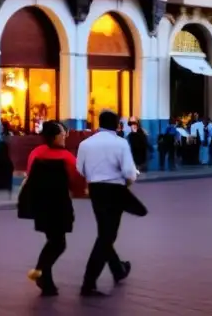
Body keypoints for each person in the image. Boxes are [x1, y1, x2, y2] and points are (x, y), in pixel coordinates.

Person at [76, 110, 139, 297]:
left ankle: (118, 269)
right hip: (115, 190)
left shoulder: (85, 143)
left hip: (96, 190)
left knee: (104, 231)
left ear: (99, 122)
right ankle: (88, 283)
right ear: (118, 125)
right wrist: (128, 182)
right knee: (107, 235)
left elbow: (80, 168)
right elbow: (129, 172)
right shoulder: (120, 143)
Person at [22, 121, 86, 296]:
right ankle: (40, 271)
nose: (65, 136)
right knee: (58, 243)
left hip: (40, 205)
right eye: (61, 133)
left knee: (53, 240)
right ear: (53, 136)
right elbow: (76, 180)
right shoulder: (66, 157)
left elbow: (30, 175)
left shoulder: (36, 154)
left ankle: (47, 282)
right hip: (58, 205)